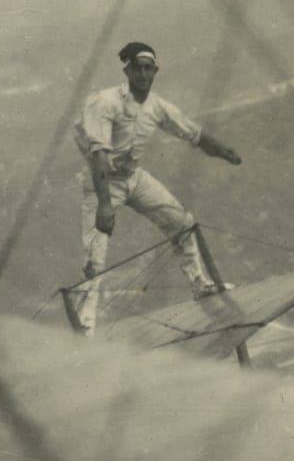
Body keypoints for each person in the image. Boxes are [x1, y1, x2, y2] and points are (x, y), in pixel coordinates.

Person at [61, 41, 242, 335]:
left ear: (155, 71)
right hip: (103, 182)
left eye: (149, 69)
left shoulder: (157, 106)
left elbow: (191, 132)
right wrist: (105, 204)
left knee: (180, 222)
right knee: (95, 255)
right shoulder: (105, 102)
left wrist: (224, 151)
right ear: (127, 70)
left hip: (134, 177)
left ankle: (201, 284)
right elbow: (98, 155)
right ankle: (85, 328)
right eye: (137, 68)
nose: (143, 75)